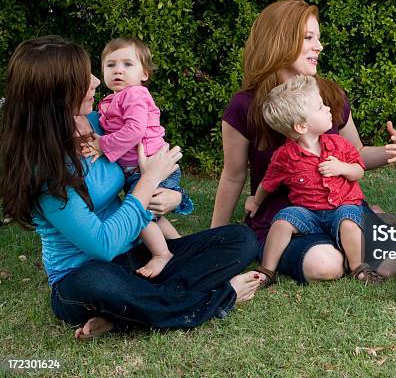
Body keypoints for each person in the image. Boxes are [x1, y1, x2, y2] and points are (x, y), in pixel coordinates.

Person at [0, 36, 263, 339]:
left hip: (137, 257)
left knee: (240, 238)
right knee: (101, 282)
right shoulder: (43, 169)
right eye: (84, 77)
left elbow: (142, 168)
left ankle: (126, 314)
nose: (97, 80)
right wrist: (150, 179)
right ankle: (216, 298)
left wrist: (176, 196)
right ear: (58, 93)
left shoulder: (98, 122)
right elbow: (102, 244)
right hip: (83, 275)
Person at [211, 0, 396, 284]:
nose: (319, 46)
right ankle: (365, 236)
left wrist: (390, 151)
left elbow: (357, 154)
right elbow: (233, 176)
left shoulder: (330, 96)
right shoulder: (245, 106)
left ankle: (367, 231)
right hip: (289, 219)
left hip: (341, 209)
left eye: (319, 37)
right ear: (279, 41)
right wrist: (215, 236)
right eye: (308, 38)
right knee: (325, 266)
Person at [245, 76, 384, 285]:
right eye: (320, 107)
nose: (328, 108)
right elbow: (268, 183)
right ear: (301, 126)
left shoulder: (339, 145)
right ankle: (267, 270)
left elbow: (358, 171)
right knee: (283, 219)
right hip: (308, 213)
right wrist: (256, 201)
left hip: (342, 206)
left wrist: (342, 168)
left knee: (349, 220)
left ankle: (359, 268)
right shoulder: (285, 157)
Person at [82, 37, 190, 278]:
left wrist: (102, 145)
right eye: (111, 65)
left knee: (138, 217)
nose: (118, 70)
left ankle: (163, 255)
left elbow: (134, 131)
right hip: (139, 172)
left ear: (144, 74)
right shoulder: (112, 100)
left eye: (128, 64)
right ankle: (183, 247)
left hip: (153, 167)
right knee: (151, 214)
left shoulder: (134, 95)